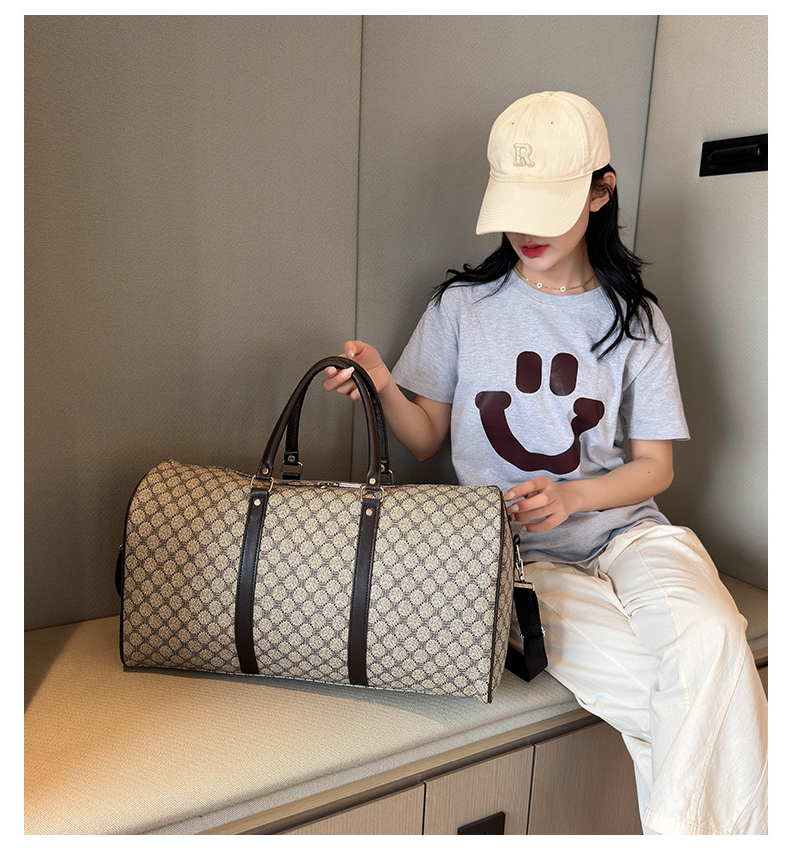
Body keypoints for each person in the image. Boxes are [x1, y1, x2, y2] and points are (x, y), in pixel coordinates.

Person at [322, 91, 767, 835]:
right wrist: (382, 384)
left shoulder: (637, 320)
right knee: (668, 695)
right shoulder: (463, 307)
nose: (526, 230)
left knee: (715, 638)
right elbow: (425, 439)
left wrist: (573, 498)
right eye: (514, 208)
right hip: (519, 561)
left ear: (600, 192)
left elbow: (655, 469)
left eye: (547, 207)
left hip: (629, 533)